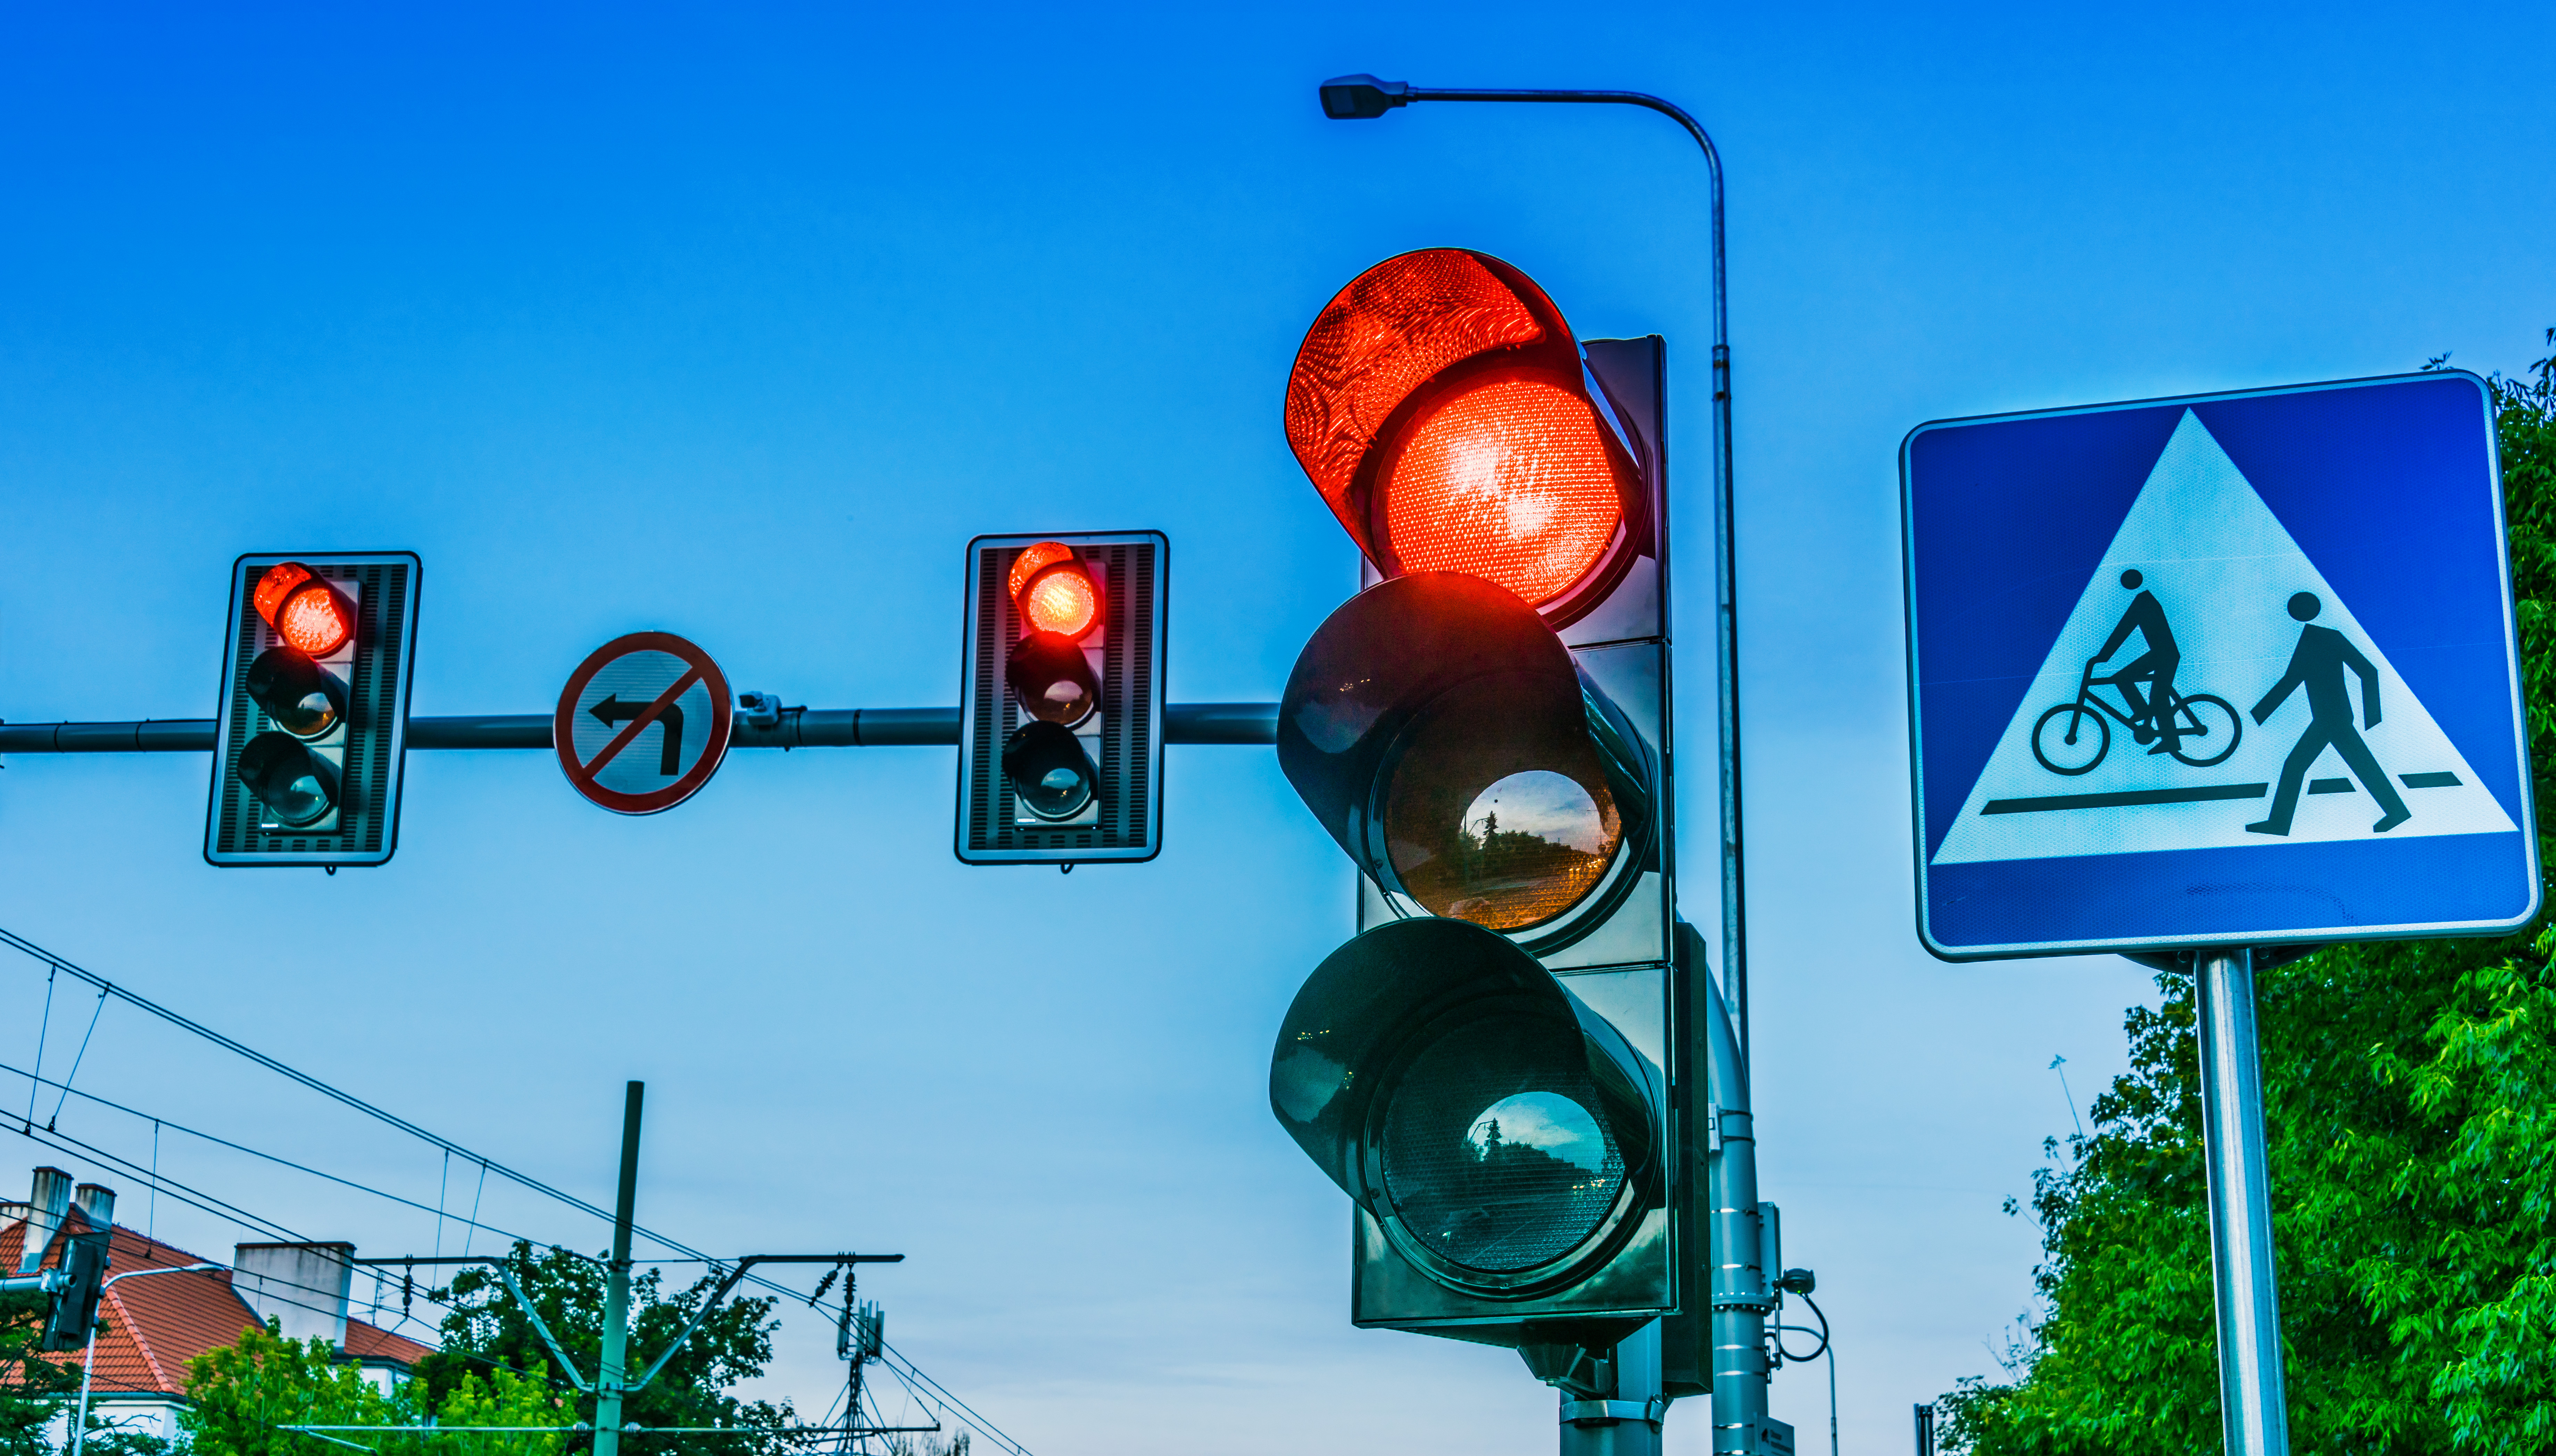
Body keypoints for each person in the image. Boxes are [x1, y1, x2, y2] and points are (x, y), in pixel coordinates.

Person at [2246, 592, 2411, 836]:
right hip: (2328, 717)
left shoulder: (2326, 638)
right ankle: (2396, 811)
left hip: (2333, 718)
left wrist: (2373, 717)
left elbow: (2368, 671)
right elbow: (2292, 679)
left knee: (2296, 765)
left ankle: (2280, 823)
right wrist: (2260, 713)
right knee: (2360, 766)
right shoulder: (2311, 639)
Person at [2091, 569, 2183, 755]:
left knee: (2158, 697)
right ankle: (2143, 712)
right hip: (2160, 655)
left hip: (2165, 656)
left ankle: (2171, 741)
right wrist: (2104, 657)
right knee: (2122, 678)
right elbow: (2125, 628)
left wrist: (2104, 657)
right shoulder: (2144, 600)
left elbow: (2124, 629)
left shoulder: (2144, 602)